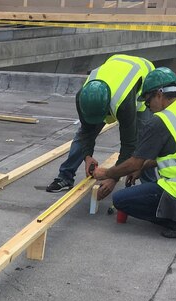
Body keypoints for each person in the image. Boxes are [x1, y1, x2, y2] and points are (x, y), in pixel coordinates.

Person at [91, 67, 176, 239]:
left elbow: (134, 161)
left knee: (121, 200)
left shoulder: (160, 121)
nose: (148, 107)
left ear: (159, 94)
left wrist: (107, 173)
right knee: (144, 186)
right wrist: (142, 167)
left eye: (148, 101)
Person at [46, 54, 155, 200]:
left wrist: (113, 178)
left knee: (144, 140)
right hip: (116, 65)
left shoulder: (123, 104)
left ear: (107, 106)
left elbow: (129, 144)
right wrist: (87, 156)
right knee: (81, 136)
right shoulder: (82, 97)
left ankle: (151, 188)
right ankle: (65, 177)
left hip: (143, 77)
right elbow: (87, 131)